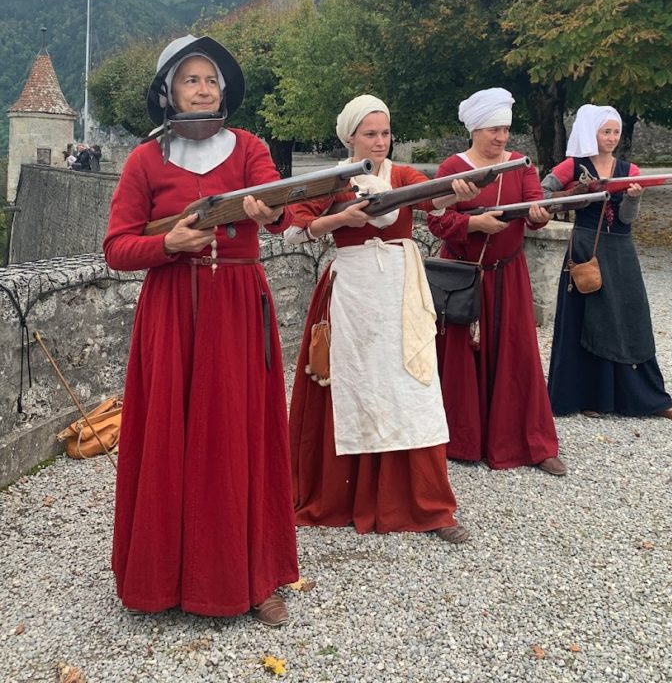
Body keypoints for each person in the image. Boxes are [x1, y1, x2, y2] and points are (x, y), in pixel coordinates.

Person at [103, 35, 298, 624]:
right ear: (168, 92)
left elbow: (281, 203)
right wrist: (168, 243)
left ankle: (254, 577)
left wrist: (272, 210)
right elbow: (116, 246)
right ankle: (160, 579)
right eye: (190, 79)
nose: (203, 88)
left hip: (238, 307)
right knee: (170, 434)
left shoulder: (249, 147)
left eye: (210, 79)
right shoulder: (144, 160)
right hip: (172, 311)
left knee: (241, 435)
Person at [286, 95, 477, 542]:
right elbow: (300, 227)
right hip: (351, 292)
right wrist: (342, 217)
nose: (379, 141)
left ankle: (427, 505)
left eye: (385, 132)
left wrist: (457, 191)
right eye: (370, 134)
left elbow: (432, 196)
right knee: (352, 385)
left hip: (400, 289)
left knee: (412, 388)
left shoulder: (403, 174)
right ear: (350, 137)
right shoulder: (333, 180)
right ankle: (340, 496)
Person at [427, 88, 566, 475]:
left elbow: (536, 208)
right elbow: (436, 220)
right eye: (493, 130)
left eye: (505, 129)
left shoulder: (522, 166)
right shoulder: (452, 169)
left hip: (508, 275)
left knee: (517, 356)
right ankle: (460, 439)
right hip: (463, 278)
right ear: (475, 129)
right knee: (458, 356)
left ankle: (530, 442)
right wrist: (473, 222)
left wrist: (539, 215)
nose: (501, 137)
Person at [541, 104, 672, 423]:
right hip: (585, 248)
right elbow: (543, 194)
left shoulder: (629, 169)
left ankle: (651, 398)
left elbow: (624, 220)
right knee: (587, 319)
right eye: (605, 131)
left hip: (621, 250)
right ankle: (588, 396)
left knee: (631, 318)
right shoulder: (574, 165)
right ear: (592, 133)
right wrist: (577, 196)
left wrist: (633, 198)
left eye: (615, 132)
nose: (611, 138)